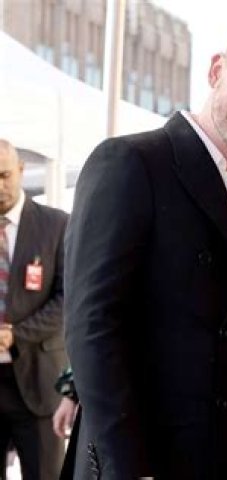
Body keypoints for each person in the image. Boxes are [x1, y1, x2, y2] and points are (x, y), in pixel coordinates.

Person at [63, 6, 227, 479]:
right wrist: (131, 470)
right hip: (136, 464)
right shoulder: (130, 163)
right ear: (216, 70)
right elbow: (92, 326)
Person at [0, 139, 68, 480]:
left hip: (38, 383)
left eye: (4, 175)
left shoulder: (56, 225)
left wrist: (15, 334)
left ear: (21, 170)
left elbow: (68, 298)